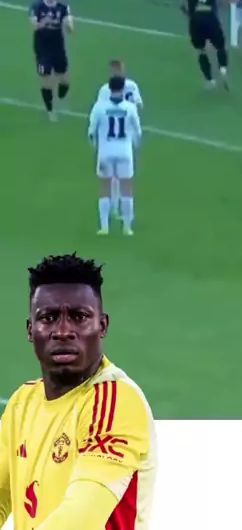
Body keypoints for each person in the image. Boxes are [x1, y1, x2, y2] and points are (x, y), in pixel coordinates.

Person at [0, 253, 157, 529]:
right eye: (48, 318)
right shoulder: (22, 403)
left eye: (79, 317)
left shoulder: (115, 402)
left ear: (102, 325)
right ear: (30, 330)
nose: (63, 331)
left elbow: (80, 519)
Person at [88, 76, 142, 235]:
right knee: (127, 188)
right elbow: (137, 131)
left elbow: (91, 131)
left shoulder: (99, 107)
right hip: (125, 152)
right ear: (123, 88)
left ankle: (104, 227)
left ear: (108, 88)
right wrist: (135, 146)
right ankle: (127, 227)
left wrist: (96, 146)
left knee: (105, 187)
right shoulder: (130, 108)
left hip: (105, 152)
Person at [96, 60, 144, 220]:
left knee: (115, 176)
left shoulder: (105, 89)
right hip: (127, 134)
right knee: (123, 176)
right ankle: (122, 210)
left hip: (114, 137)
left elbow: (100, 110)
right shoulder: (132, 85)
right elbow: (139, 105)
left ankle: (115, 208)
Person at [179, 0, 229, 89]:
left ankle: (210, 80)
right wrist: (219, 7)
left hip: (196, 17)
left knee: (201, 50)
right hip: (210, 16)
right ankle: (223, 69)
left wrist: (186, 12)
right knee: (220, 46)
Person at [29, 0, 74, 121]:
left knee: (64, 80)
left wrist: (68, 26)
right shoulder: (37, 6)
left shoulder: (63, 7)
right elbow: (34, 26)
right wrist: (44, 22)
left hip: (58, 47)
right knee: (46, 79)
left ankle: (61, 94)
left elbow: (70, 27)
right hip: (43, 49)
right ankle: (50, 111)